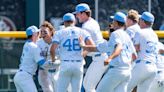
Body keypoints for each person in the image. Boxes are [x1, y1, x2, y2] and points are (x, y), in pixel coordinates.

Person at [79, 12, 137, 92]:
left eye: (113, 21)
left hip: (116, 70)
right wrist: (84, 46)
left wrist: (110, 58)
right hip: (127, 72)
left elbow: (119, 47)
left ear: (116, 22)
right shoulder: (126, 35)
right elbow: (134, 56)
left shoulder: (115, 34)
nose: (112, 23)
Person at [50, 13, 94, 92]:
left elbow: (52, 49)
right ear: (74, 21)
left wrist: (53, 60)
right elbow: (92, 46)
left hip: (65, 64)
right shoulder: (82, 31)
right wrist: (83, 53)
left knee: (61, 90)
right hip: (78, 64)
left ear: (64, 22)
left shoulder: (59, 32)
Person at [74, 3, 108, 92]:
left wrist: (77, 58)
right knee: (86, 84)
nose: (76, 16)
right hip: (100, 58)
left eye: (77, 14)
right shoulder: (92, 21)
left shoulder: (86, 27)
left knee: (89, 86)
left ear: (84, 13)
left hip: (100, 58)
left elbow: (87, 47)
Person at [13, 26, 55, 92]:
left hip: (19, 75)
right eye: (38, 33)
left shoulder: (27, 44)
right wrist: (53, 63)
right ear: (34, 34)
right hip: (25, 76)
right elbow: (42, 63)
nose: (39, 35)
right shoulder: (34, 47)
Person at [127, 12, 159, 92]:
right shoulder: (155, 35)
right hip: (153, 68)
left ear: (143, 21)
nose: (139, 21)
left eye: (140, 19)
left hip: (142, 66)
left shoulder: (140, 32)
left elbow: (135, 50)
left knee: (123, 87)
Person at [37, 21, 60, 92]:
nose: (43, 33)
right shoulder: (38, 43)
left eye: (45, 31)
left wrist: (57, 61)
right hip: (44, 71)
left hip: (57, 70)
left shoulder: (57, 41)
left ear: (51, 32)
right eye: (41, 31)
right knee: (48, 90)